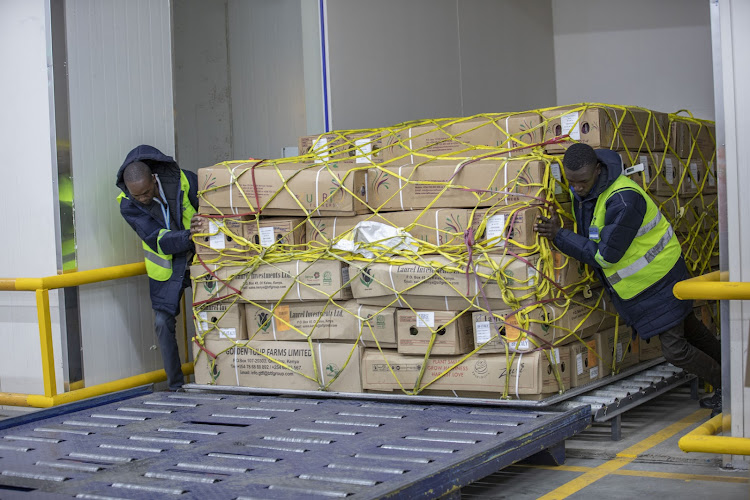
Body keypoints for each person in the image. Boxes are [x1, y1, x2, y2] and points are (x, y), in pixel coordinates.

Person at [534, 143, 722, 415]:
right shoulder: (591, 191)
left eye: (582, 182)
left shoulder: (623, 200)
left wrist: (559, 235)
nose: (576, 188)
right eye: (571, 183)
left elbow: (607, 256)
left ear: (598, 170)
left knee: (674, 350)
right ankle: (735, 376)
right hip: (653, 282)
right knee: (690, 329)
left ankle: (727, 387)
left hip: (659, 281)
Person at [116, 145, 203, 391]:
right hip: (168, 269)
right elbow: (157, 239)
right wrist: (189, 235)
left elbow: (212, 207)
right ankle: (175, 386)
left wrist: (204, 220)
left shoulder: (184, 180)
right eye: (137, 196)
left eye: (145, 192)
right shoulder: (127, 204)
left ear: (154, 179)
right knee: (162, 323)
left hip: (201, 259)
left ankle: (214, 377)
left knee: (211, 317)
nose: (143, 199)